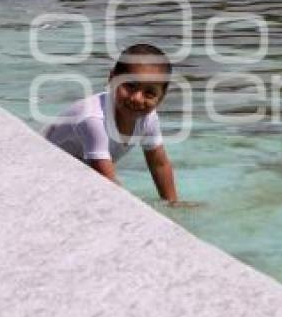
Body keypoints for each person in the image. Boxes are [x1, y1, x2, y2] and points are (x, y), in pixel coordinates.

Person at [43, 43, 192, 207]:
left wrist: (173, 204)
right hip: (46, 172)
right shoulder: (93, 120)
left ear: (161, 98)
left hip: (80, 171)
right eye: (130, 85)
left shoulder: (148, 118)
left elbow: (159, 164)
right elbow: (108, 183)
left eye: (149, 93)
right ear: (111, 79)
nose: (137, 98)